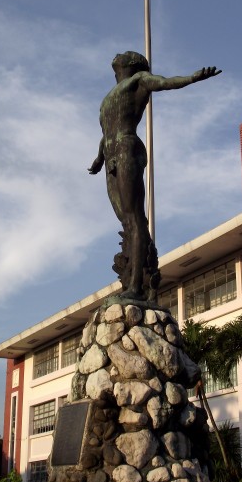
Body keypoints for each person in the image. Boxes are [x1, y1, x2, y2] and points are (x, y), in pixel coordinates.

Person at [89, 51, 221, 301]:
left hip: (127, 149)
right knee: (125, 220)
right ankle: (143, 274)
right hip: (111, 154)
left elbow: (166, 83)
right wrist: (99, 157)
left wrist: (192, 78)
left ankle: (136, 286)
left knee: (135, 217)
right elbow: (108, 130)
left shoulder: (140, 79)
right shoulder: (109, 98)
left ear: (131, 63)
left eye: (122, 55)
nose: (116, 56)